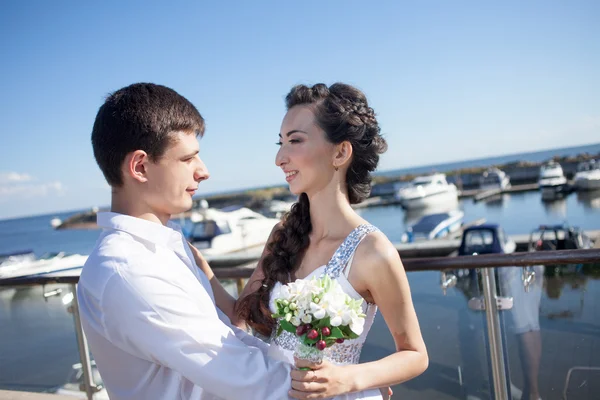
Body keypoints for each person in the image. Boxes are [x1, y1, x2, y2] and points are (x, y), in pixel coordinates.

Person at [194, 83, 429, 399]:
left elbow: (415, 354)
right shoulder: (284, 234)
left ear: (340, 152)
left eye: (295, 141)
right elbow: (240, 314)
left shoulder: (372, 251)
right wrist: (194, 264)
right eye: (280, 143)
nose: (280, 157)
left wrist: (350, 378)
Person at [76, 83, 298, 400]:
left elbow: (228, 338)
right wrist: (354, 388)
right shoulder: (129, 271)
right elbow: (244, 375)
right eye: (188, 158)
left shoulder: (167, 245)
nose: (203, 171)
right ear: (140, 167)